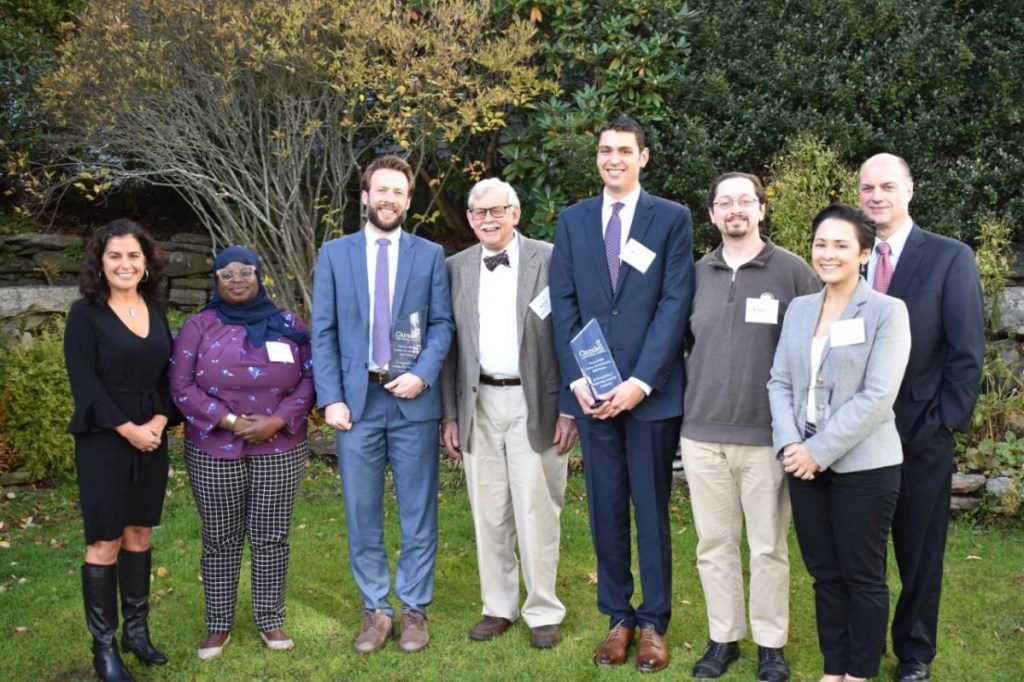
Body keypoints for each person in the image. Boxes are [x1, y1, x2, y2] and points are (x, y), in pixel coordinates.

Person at [550, 115, 694, 673]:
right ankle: (618, 616)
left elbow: (673, 304)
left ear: (644, 157)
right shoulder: (574, 220)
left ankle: (655, 621)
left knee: (651, 510)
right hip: (591, 396)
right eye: (606, 150)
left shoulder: (671, 220)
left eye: (624, 151)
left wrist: (639, 384)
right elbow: (563, 302)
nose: (614, 159)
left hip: (649, 396)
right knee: (606, 510)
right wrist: (578, 380)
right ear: (598, 158)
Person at [312, 155, 454, 654]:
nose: (389, 198)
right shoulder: (334, 254)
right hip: (356, 403)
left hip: (411, 400)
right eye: (381, 190)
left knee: (418, 511)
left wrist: (421, 374)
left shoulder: (430, 255)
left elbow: (442, 325)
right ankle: (376, 609)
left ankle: (413, 607)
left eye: (399, 191)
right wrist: (329, 397)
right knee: (362, 510)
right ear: (365, 197)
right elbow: (323, 331)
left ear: (408, 200)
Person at [682, 173, 820, 681]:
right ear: (713, 214)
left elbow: (815, 347)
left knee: (767, 547)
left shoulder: (793, 272)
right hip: (701, 433)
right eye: (724, 202)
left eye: (745, 200)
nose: (735, 209)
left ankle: (770, 644)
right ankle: (724, 638)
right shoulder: (694, 273)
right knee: (713, 544)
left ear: (762, 208)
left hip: (766, 436)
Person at [768, 204, 911, 682]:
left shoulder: (888, 312)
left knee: (862, 576)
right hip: (803, 464)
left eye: (841, 245)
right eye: (820, 244)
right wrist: (791, 445)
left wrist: (818, 451)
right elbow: (780, 382)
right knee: (825, 574)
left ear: (865, 254)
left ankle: (860, 672)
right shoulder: (800, 309)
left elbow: (876, 396)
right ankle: (835, 669)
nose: (827, 254)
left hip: (864, 467)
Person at [858, 154, 984, 682]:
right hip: (855, 434)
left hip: (921, 433)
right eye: (867, 188)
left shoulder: (949, 258)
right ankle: (857, 649)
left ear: (910, 190)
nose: (877, 196)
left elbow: (966, 350)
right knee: (858, 554)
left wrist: (945, 424)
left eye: (888, 186)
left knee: (919, 551)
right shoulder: (848, 254)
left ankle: (914, 653)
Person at [440, 178, 578, 649]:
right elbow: (449, 345)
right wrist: (450, 415)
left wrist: (570, 408)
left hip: (536, 400)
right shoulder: (455, 268)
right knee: (489, 511)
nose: (487, 219)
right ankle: (497, 605)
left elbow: (573, 333)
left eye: (496, 210)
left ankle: (543, 609)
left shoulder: (552, 257)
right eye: (478, 212)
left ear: (516, 213)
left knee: (538, 507)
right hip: (477, 402)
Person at [168, 245, 314, 660]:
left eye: (245, 271)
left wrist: (278, 420)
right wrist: (232, 423)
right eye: (226, 273)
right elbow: (180, 386)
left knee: (271, 536)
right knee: (220, 538)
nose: (236, 279)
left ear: (259, 275)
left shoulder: (287, 323)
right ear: (216, 280)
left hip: (280, 446)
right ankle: (219, 625)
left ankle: (270, 618)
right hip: (214, 448)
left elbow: (310, 376)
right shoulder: (199, 326)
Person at [64, 219, 175, 682]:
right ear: (100, 262)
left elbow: (169, 377)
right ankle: (104, 650)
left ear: (146, 261)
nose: (125, 264)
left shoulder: (155, 307)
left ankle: (136, 633)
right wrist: (129, 429)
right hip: (105, 439)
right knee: (105, 541)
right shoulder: (84, 315)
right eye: (115, 256)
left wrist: (159, 421)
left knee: (140, 535)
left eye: (133, 255)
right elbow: (84, 386)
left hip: (152, 435)